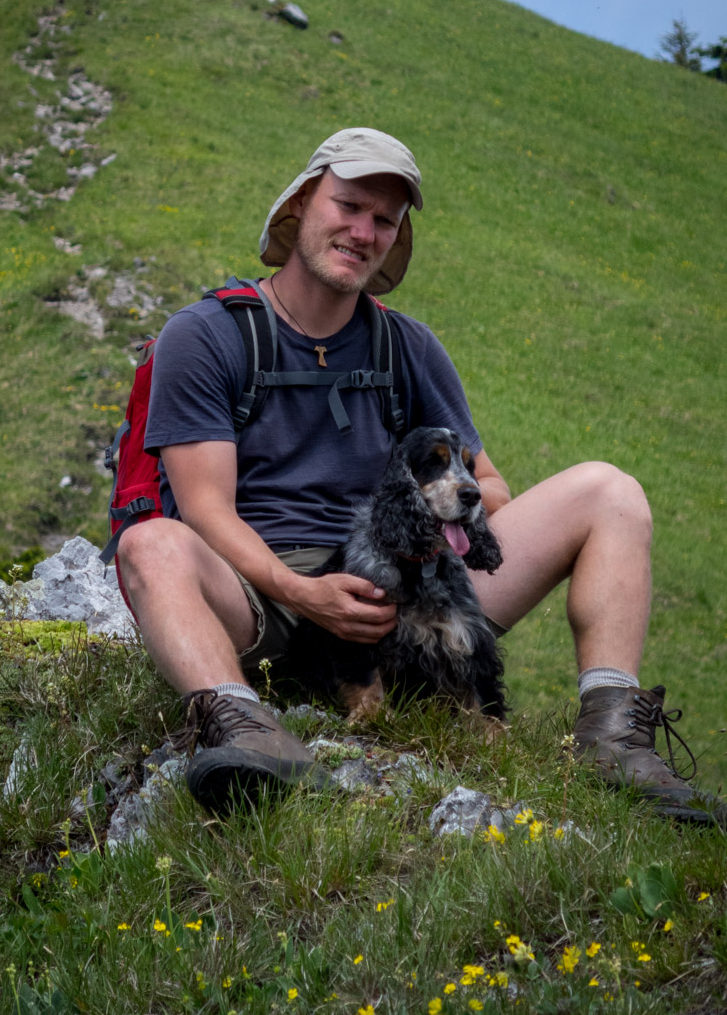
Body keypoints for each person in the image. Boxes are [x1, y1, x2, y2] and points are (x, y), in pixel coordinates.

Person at [118, 126, 723, 823]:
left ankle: (613, 738)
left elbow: (488, 488)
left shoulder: (406, 346)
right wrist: (305, 593)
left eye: (385, 220)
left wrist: (419, 541)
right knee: (152, 545)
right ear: (302, 203)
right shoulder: (208, 334)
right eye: (348, 206)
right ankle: (245, 727)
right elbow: (206, 512)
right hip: (266, 595)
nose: (364, 230)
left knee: (611, 492)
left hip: (408, 579)